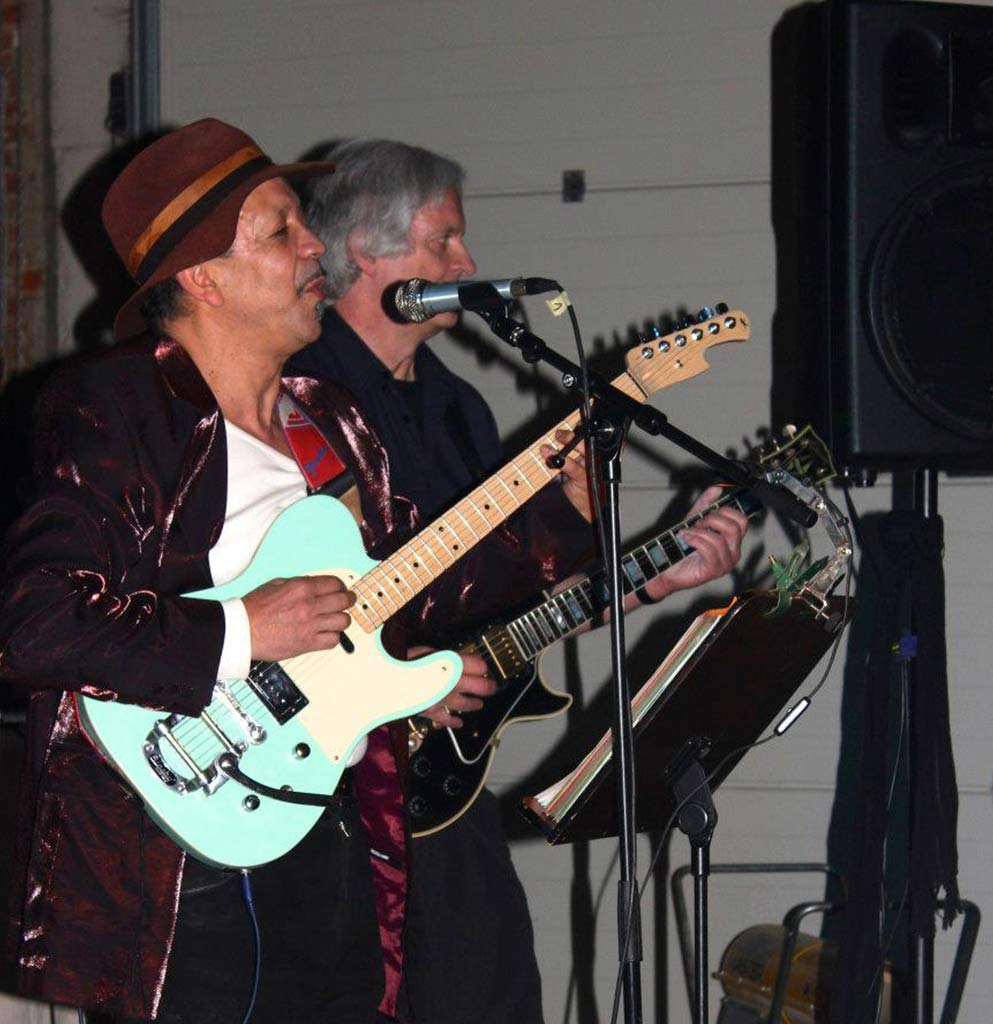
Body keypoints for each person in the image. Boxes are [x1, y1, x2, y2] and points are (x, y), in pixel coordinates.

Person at [286, 139, 749, 1024]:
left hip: (442, 790)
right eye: (443, 242)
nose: (467, 264)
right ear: (365, 254)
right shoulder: (301, 394)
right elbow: (278, 588)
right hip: (325, 786)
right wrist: (388, 679)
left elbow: (505, 611)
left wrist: (652, 577)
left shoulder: (458, 407)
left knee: (494, 994)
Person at [0, 119, 415, 1023]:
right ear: (201, 278)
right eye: (279, 230)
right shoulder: (115, 405)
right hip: (181, 861)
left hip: (323, 823)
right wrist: (241, 629)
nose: (313, 246)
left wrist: (572, 512)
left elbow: (419, 582)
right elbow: (34, 624)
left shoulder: (330, 418)